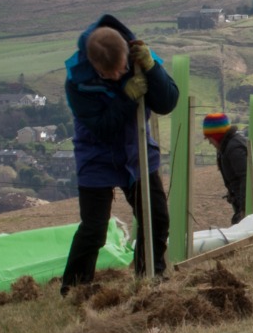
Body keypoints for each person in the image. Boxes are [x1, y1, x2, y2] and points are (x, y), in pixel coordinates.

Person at [61, 15, 179, 293]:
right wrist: (126, 98)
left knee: (156, 218)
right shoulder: (77, 81)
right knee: (94, 228)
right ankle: (74, 289)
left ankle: (150, 278)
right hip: (95, 155)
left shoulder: (139, 55)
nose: (116, 76)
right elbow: (102, 128)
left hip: (137, 150)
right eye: (108, 74)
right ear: (94, 65)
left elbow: (167, 103)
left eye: (121, 70)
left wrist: (152, 69)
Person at [202, 112, 253, 224]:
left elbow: (247, 178)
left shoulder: (234, 148)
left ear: (217, 136)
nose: (209, 142)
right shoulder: (227, 146)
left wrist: (245, 210)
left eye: (209, 138)